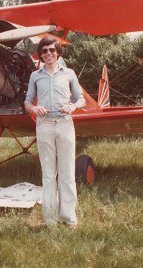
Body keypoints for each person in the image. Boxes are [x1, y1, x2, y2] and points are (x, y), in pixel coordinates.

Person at [24, 36, 86, 227]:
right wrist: (34, 109)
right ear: (40, 55)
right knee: (49, 174)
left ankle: (68, 218)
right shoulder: (35, 76)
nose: (49, 54)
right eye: (44, 51)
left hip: (65, 123)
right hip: (44, 125)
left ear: (58, 52)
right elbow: (27, 102)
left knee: (67, 173)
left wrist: (73, 106)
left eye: (52, 50)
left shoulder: (69, 73)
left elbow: (81, 99)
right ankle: (50, 219)